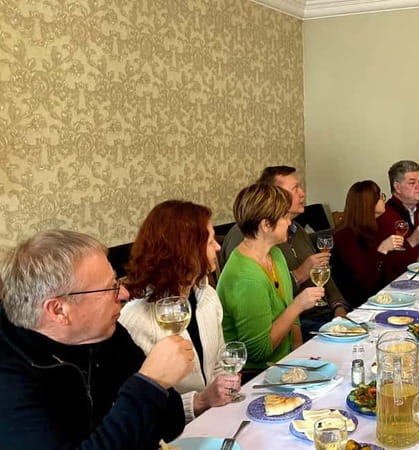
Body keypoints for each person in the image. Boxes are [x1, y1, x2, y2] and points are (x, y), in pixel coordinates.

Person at [0, 230, 190, 448]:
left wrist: (153, 386)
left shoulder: (106, 333)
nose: (124, 294)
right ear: (59, 310)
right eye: (110, 287)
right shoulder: (10, 381)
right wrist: (150, 384)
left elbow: (171, 423)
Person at [119, 201, 240, 423]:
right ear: (185, 249)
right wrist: (201, 401)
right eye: (210, 241)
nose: (218, 247)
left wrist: (224, 383)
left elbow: (219, 361)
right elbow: (137, 409)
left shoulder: (207, 296)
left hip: (215, 419)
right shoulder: (136, 318)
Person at [220, 166, 349, 341]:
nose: (302, 193)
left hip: (316, 319)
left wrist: (339, 306)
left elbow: (323, 274)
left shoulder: (293, 234)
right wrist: (302, 274)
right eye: (295, 188)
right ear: (274, 194)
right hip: (304, 323)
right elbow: (259, 345)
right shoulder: (247, 243)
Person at [217, 183, 324, 369]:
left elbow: (289, 311)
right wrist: (298, 305)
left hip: (285, 362)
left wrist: (299, 352)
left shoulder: (275, 254)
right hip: (256, 374)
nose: (290, 222)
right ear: (266, 225)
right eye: (284, 216)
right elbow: (259, 352)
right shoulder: (246, 278)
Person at [331, 181, 407, 308]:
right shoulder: (344, 236)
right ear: (369, 204)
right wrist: (382, 250)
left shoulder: (375, 227)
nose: (384, 200)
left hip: (384, 293)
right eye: (380, 197)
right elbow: (363, 282)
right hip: (360, 302)